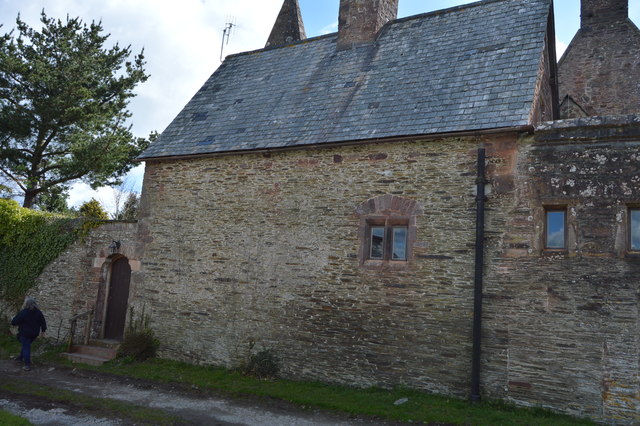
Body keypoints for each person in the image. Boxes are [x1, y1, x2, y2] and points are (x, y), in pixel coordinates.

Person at [11, 297, 47, 371]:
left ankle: (27, 365)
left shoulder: (24, 312)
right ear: (35, 304)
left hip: (25, 333)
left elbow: (14, 322)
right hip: (34, 334)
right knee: (26, 345)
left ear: (26, 304)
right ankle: (20, 359)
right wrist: (43, 331)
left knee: (26, 347)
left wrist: (16, 322)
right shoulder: (38, 312)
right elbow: (43, 322)